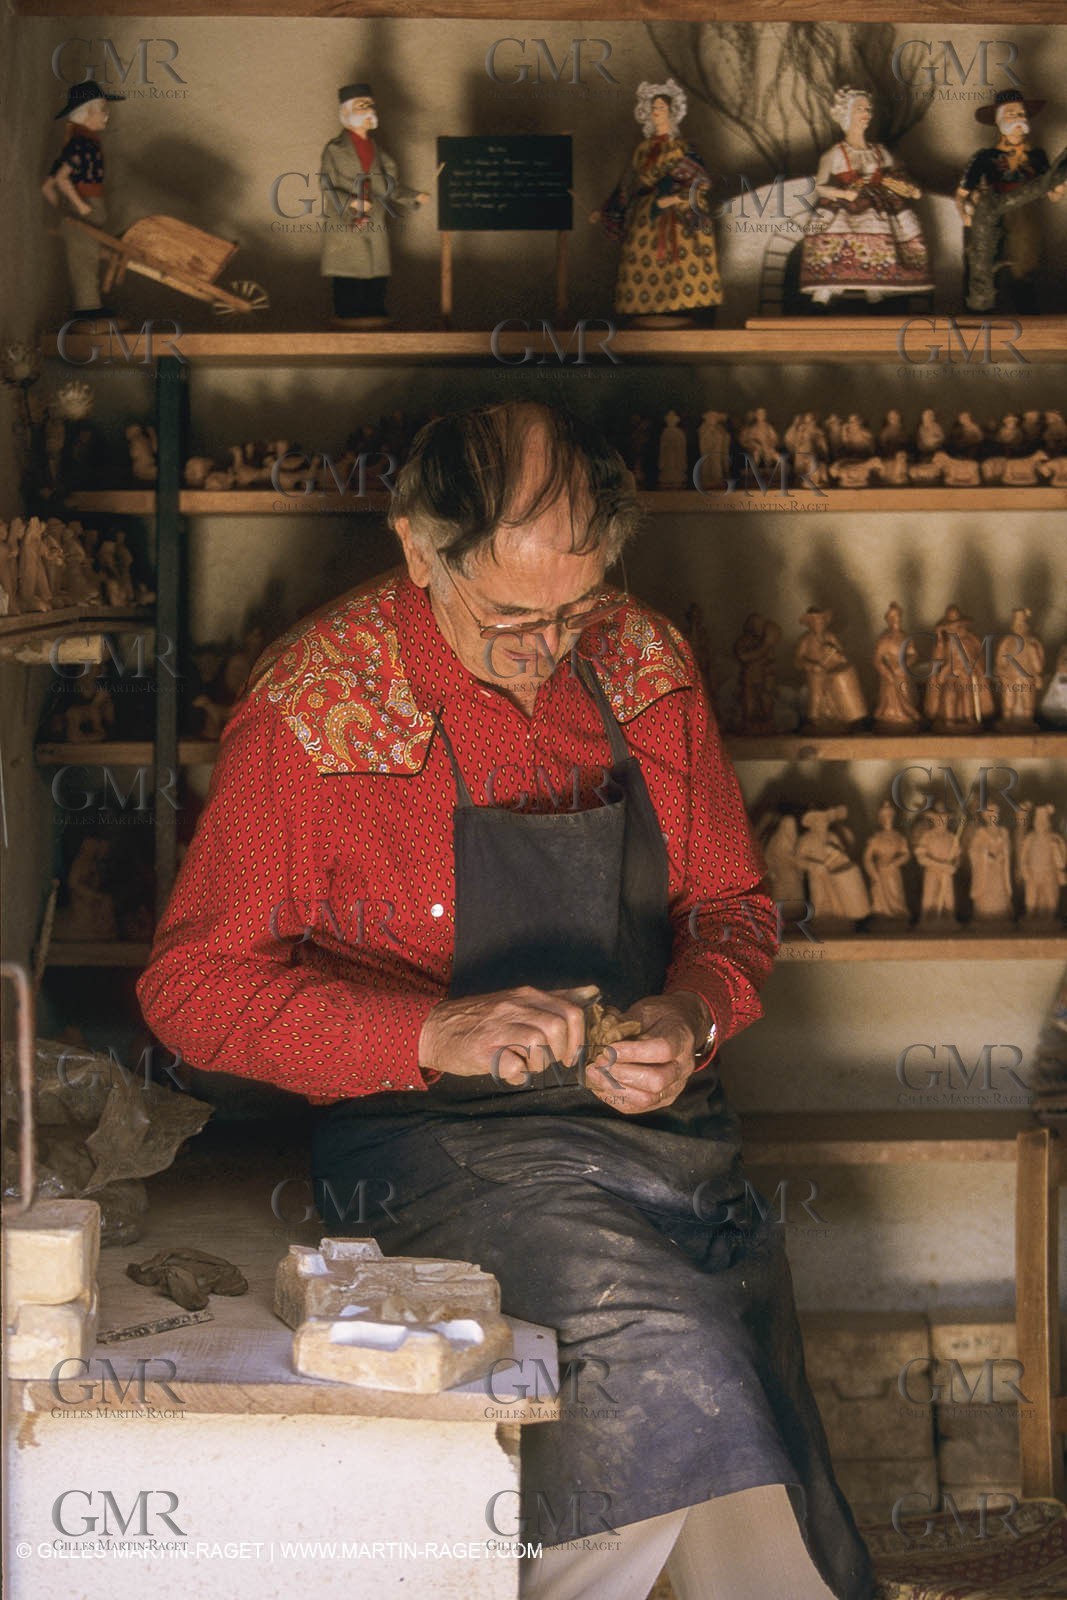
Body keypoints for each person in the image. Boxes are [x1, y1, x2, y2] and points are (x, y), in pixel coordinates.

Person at [136, 400, 872, 1600]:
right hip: (434, 1144)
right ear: (418, 549)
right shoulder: (314, 713)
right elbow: (189, 989)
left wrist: (692, 1015)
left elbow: (732, 904)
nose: (548, 645)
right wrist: (427, 1029)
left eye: (576, 606)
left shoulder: (642, 661)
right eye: (513, 616)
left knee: (747, 1419)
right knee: (665, 1363)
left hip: (655, 1131)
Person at [592, 78, 722, 322]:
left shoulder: (683, 148)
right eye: (653, 108)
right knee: (637, 256)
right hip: (647, 214)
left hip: (678, 216)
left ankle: (685, 311)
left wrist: (673, 199)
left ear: (672, 112)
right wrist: (608, 210)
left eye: (661, 108)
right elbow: (628, 182)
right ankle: (646, 313)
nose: (656, 112)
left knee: (683, 262)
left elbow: (701, 183)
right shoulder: (642, 149)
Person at [799, 86, 932, 306]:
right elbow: (820, 186)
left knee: (885, 233)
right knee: (836, 233)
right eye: (860, 109)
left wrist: (908, 188)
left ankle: (876, 289)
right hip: (845, 203)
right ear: (847, 113)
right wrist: (843, 193)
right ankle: (826, 289)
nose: (866, 114)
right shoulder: (835, 153)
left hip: (881, 203)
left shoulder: (880, 151)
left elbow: (897, 174)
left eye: (869, 109)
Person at [319, 80, 428, 326]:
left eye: (370, 105)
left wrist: (412, 196)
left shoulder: (376, 150)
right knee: (347, 266)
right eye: (362, 105)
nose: (369, 111)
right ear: (346, 112)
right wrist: (353, 203)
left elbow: (385, 185)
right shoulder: (334, 150)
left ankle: (373, 308)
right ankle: (346, 311)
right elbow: (327, 185)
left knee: (375, 265)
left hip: (374, 216)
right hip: (345, 218)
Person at [956, 89, 1067, 314]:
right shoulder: (984, 157)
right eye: (1012, 114)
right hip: (991, 215)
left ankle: (1027, 316)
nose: (1019, 118)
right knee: (985, 269)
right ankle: (982, 314)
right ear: (999, 121)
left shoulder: (1037, 156)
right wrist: (967, 217)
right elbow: (961, 194)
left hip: (1025, 214)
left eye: (1021, 113)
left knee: (1025, 266)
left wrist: (1059, 189)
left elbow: (1051, 193)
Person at [42, 79, 124, 322]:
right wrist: (79, 207)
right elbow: (60, 179)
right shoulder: (82, 143)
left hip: (84, 211)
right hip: (86, 208)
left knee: (87, 258)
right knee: (84, 262)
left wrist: (64, 211)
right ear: (87, 112)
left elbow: (46, 187)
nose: (106, 116)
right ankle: (88, 310)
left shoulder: (80, 141)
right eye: (102, 110)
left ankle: (90, 307)